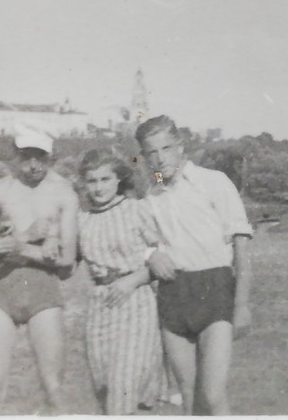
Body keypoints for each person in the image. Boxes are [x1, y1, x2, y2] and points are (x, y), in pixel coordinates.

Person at [137, 115, 253, 416]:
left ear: (180, 146)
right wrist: (151, 255)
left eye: (166, 148)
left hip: (215, 289)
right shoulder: (152, 195)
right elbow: (142, 242)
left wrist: (242, 305)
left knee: (212, 395)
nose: (160, 158)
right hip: (174, 293)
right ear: (145, 157)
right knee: (188, 397)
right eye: (151, 152)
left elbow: (241, 246)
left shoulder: (213, 182)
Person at [0, 122, 78, 414]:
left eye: (40, 157)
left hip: (43, 289)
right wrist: (25, 240)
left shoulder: (63, 192)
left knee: (54, 391)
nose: (32, 165)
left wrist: (18, 247)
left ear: (50, 157)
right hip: (2, 289)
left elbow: (68, 259)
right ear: (15, 155)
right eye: (26, 156)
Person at [77, 150, 166, 415]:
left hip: (135, 301)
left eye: (105, 179)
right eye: (92, 181)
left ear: (119, 179)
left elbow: (165, 257)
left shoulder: (137, 209)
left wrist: (134, 280)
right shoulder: (82, 218)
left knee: (123, 386)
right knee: (104, 388)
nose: (98, 187)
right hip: (99, 305)